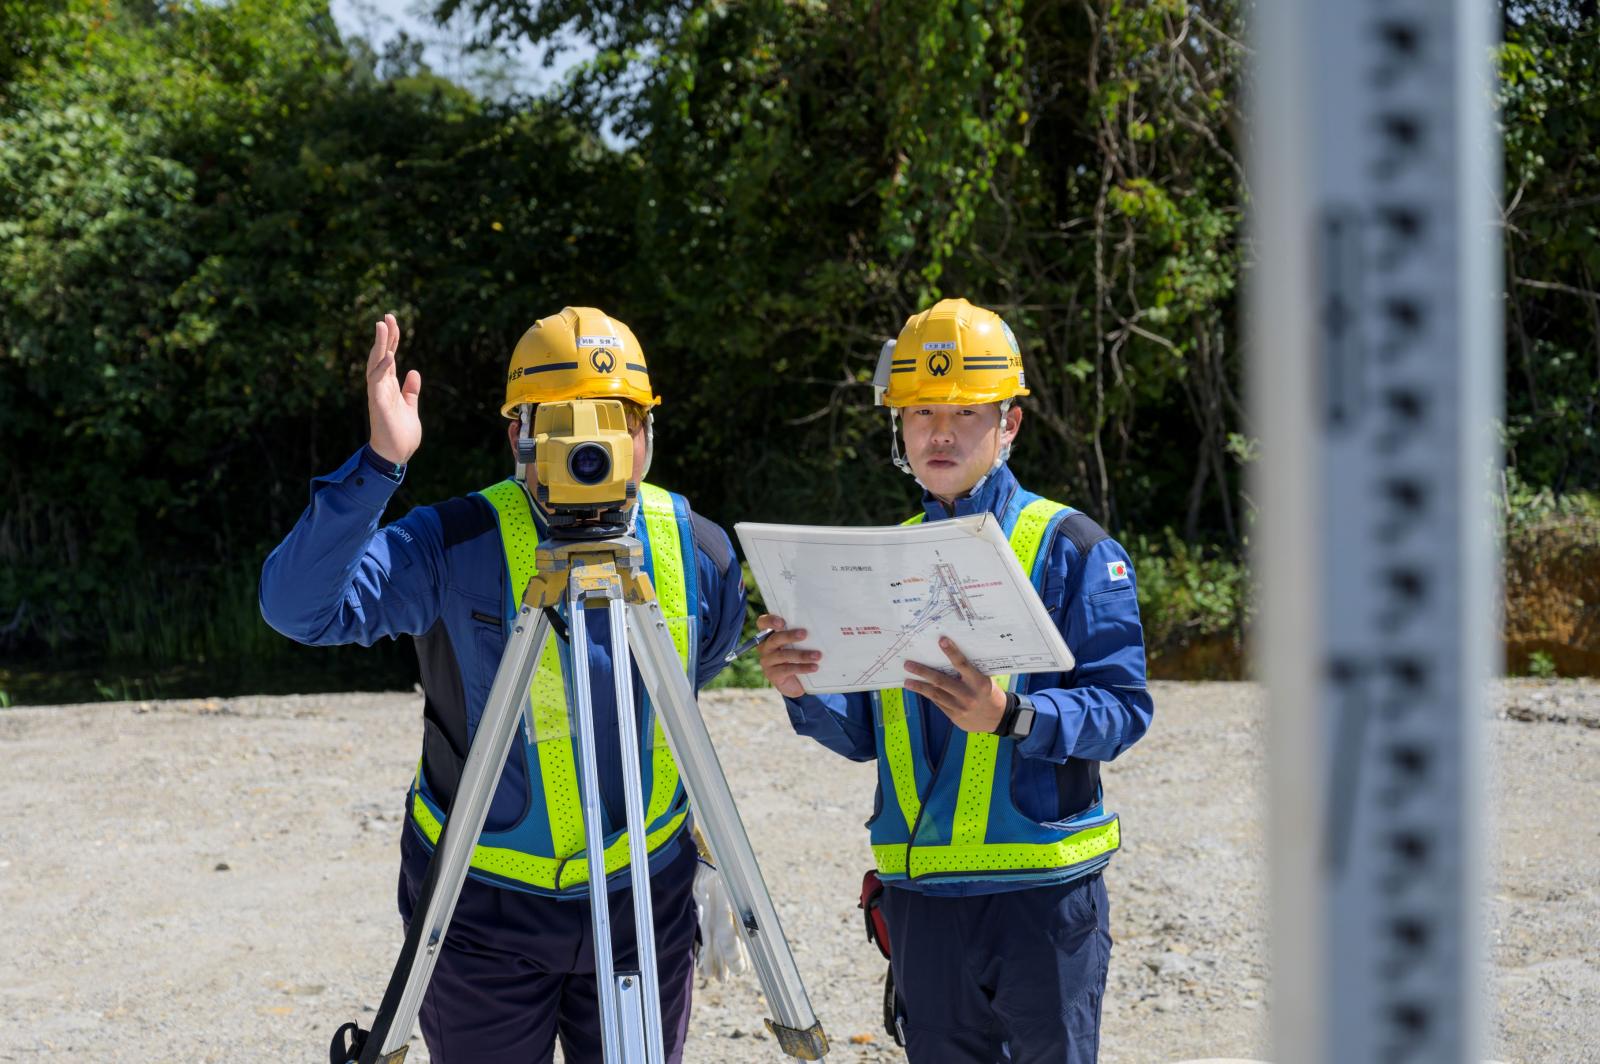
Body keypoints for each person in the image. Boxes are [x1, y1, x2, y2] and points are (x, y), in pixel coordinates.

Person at [260, 308, 746, 1063]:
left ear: (649, 432)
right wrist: (380, 465)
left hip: (640, 901)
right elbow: (299, 609)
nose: (591, 445)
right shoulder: (453, 544)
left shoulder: (699, 550)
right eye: (559, 422)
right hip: (478, 908)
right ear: (515, 434)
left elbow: (692, 678)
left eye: (616, 420)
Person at [757, 297, 1153, 1062]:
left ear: (1009, 423)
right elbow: (873, 734)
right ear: (898, 427)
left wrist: (1014, 716)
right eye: (920, 412)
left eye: (964, 413)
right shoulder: (881, 554)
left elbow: (1124, 709)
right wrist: (805, 691)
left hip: (1038, 901)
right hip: (921, 904)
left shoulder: (1071, 547)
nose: (939, 431)